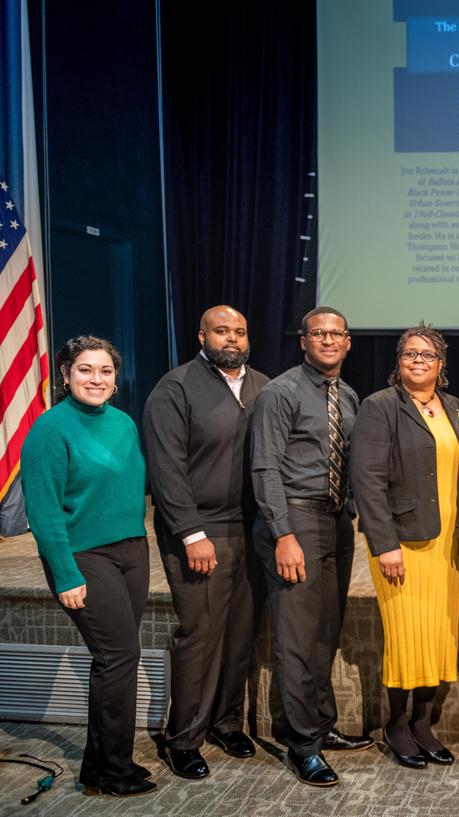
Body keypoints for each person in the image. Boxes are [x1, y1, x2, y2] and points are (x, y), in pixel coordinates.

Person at [22, 336, 154, 797]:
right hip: (83, 556)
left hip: (132, 552)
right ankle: (113, 770)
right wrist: (65, 573)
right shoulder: (49, 430)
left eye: (105, 371)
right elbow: (43, 511)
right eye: (85, 370)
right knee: (119, 657)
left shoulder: (122, 423)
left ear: (116, 379)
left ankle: (101, 769)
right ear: (65, 374)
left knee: (114, 661)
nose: (96, 379)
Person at [143, 305, 268, 779]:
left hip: (250, 529)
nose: (232, 339)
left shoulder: (263, 386)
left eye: (239, 330)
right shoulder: (174, 389)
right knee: (201, 634)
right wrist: (191, 533)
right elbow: (167, 469)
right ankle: (183, 738)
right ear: (202, 335)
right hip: (199, 531)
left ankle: (225, 722)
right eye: (222, 331)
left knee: (239, 635)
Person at [250, 306, 372, 787]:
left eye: (336, 333)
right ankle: (303, 746)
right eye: (317, 333)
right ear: (303, 341)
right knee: (298, 638)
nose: (327, 340)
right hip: (294, 521)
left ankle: (319, 725)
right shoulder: (279, 393)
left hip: (335, 521)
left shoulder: (347, 393)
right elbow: (264, 468)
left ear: (347, 342)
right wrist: (283, 534)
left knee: (325, 632)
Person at [350, 323, 459, 771]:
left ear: (441, 365)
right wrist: (384, 544)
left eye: (427, 355)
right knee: (406, 637)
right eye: (409, 355)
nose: (418, 361)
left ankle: (423, 723)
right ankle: (396, 723)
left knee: (439, 636)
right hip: (402, 543)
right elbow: (367, 479)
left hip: (447, 546)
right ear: (398, 363)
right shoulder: (379, 407)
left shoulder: (455, 408)